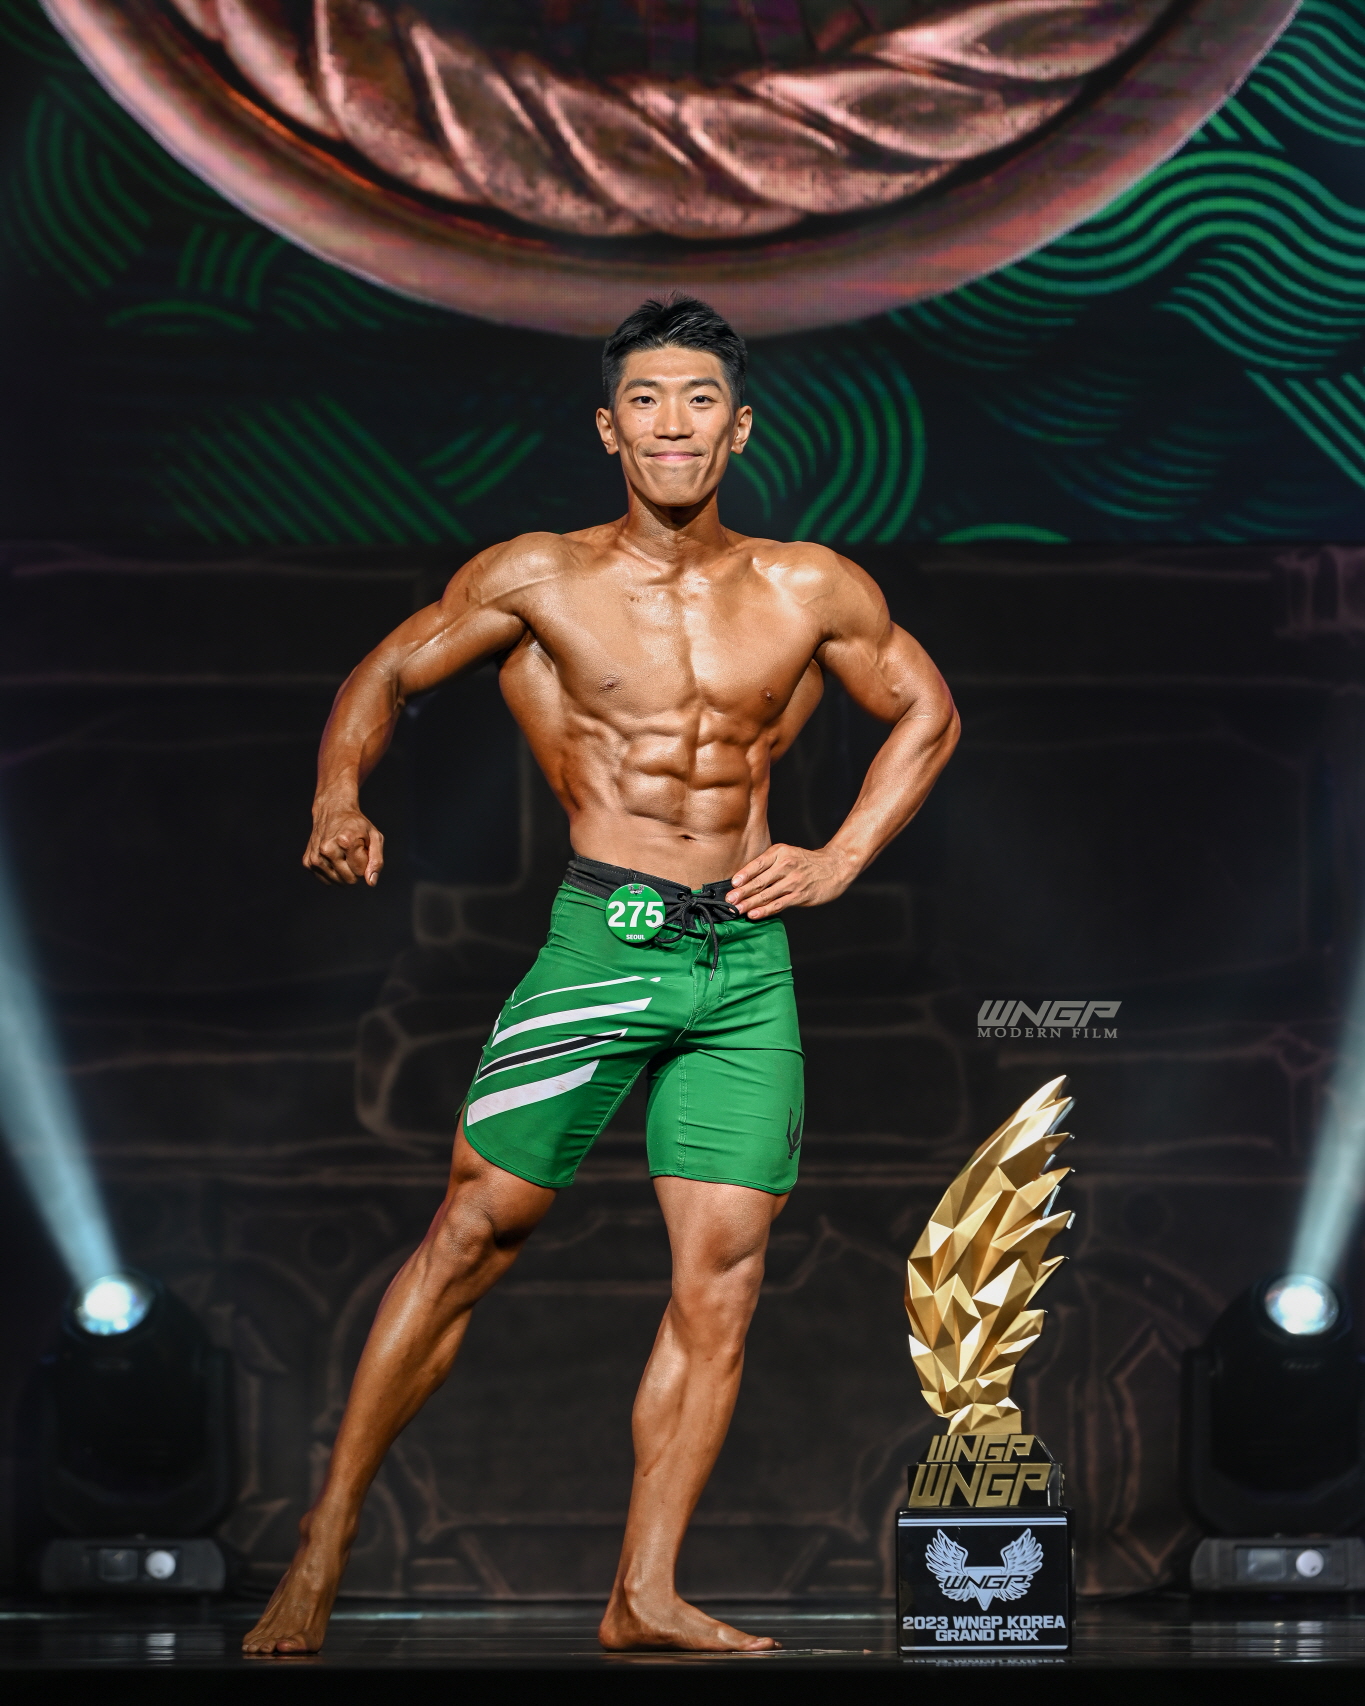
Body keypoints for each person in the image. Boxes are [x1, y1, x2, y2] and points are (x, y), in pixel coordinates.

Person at [243, 294, 959, 1656]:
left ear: (739, 429)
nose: (672, 423)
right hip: (604, 946)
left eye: (699, 399)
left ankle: (644, 1591)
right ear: (607, 428)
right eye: (645, 400)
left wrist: (842, 856)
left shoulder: (808, 587)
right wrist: (338, 793)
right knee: (474, 1232)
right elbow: (386, 673)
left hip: (744, 963)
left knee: (723, 1277)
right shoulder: (538, 577)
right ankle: (325, 1535)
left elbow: (925, 706)